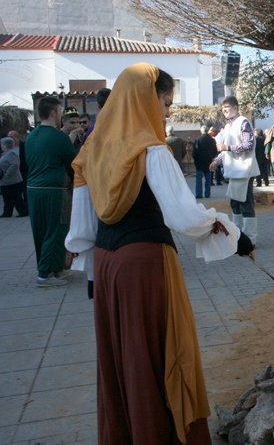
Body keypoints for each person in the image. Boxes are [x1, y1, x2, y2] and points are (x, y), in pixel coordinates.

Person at [64, 63, 254, 444]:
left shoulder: (92, 149)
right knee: (158, 355)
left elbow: (83, 228)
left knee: (123, 357)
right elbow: (185, 216)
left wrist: (91, 276)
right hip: (145, 266)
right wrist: (236, 236)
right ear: (144, 99)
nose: (167, 112)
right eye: (165, 102)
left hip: (107, 266)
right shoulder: (151, 150)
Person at [25, 96, 77, 287]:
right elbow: (74, 165)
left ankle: (55, 269)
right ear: (54, 113)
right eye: (60, 111)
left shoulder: (31, 136)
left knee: (40, 230)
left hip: (33, 189)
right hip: (54, 190)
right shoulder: (59, 138)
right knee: (55, 229)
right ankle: (45, 274)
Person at [209, 96, 261, 244]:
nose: (224, 110)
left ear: (235, 107)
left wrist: (228, 148)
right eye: (222, 108)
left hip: (244, 170)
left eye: (227, 107)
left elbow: (248, 145)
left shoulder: (243, 122)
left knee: (245, 205)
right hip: (234, 171)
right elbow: (225, 149)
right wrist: (216, 161)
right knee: (235, 205)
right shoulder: (228, 126)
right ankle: (237, 237)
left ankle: (250, 239)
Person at [0, 137, 28, 217]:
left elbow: (14, 164)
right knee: (7, 198)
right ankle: (7, 212)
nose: (1, 146)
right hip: (6, 181)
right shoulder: (5, 153)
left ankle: (23, 211)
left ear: (5, 145)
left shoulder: (11, 153)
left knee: (15, 197)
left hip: (11, 180)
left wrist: (7, 173)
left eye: (2, 144)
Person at [193, 125, 217, 198]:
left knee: (199, 179)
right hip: (209, 161)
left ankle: (199, 194)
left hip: (199, 162)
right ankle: (207, 193)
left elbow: (195, 151)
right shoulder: (212, 140)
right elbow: (215, 151)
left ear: (201, 130)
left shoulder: (198, 139)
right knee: (208, 179)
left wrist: (195, 158)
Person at [7, 130, 28, 206]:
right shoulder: (8, 147)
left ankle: (26, 206)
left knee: (25, 189)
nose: (9, 139)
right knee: (16, 191)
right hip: (14, 172)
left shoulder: (23, 145)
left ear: (16, 137)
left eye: (11, 137)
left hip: (23, 170)